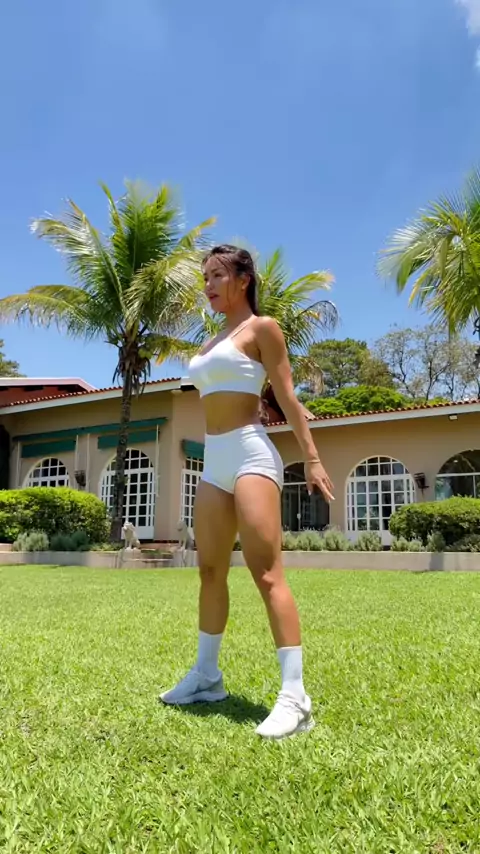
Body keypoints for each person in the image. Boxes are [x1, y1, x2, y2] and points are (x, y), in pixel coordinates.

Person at [160, 245, 334, 739]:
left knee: (266, 572)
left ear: (243, 279)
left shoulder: (263, 329)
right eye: (205, 277)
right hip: (214, 461)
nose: (208, 285)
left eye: (217, 275)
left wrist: (313, 458)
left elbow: (287, 396)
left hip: (251, 455)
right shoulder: (212, 339)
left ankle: (295, 697)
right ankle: (207, 676)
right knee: (210, 571)